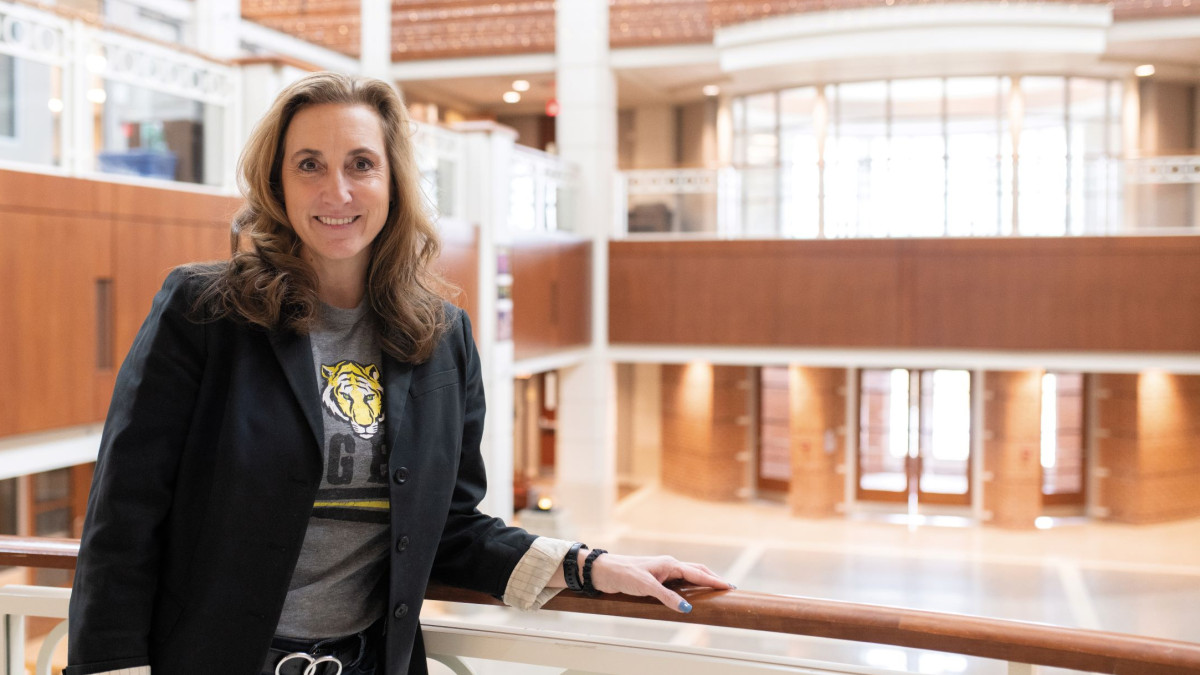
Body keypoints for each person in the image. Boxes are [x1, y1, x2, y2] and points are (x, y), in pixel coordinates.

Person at [65, 71, 731, 675]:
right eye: (309, 165)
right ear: (277, 182)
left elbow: (452, 528)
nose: (338, 191)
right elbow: (125, 512)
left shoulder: (444, 338)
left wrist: (591, 566)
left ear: (393, 180)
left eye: (361, 163)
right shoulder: (204, 310)